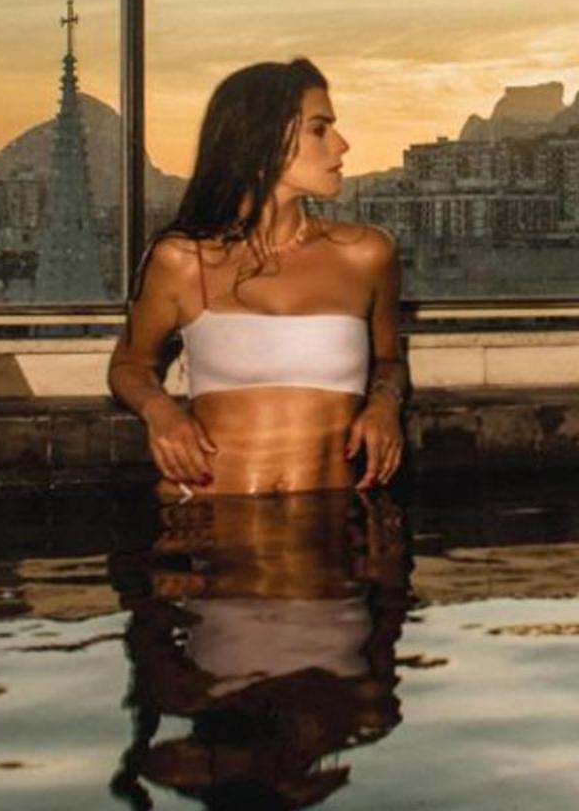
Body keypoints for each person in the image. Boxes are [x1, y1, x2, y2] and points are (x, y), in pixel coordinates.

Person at [109, 58, 406, 496]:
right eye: (319, 128)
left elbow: (390, 361)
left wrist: (384, 404)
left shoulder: (366, 255)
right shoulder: (183, 260)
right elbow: (129, 366)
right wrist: (161, 412)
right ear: (263, 138)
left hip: (333, 523)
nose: (342, 144)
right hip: (206, 519)